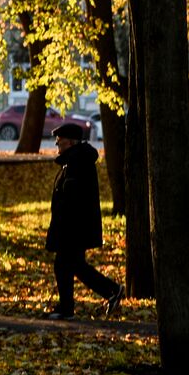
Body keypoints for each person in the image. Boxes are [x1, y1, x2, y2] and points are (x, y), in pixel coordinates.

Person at [46, 122, 122, 320]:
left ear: (70, 143)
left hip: (73, 226)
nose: (57, 146)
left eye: (60, 143)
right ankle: (107, 292)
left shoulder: (77, 163)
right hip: (73, 225)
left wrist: (64, 223)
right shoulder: (74, 161)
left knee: (66, 264)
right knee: (72, 265)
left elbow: (73, 197)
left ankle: (70, 307)